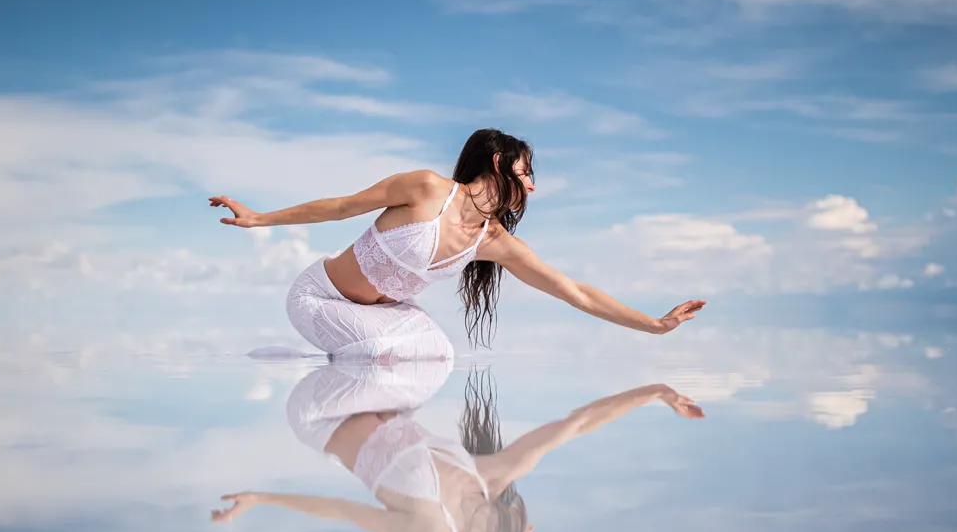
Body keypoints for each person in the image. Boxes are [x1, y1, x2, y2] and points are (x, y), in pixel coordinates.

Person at [209, 128, 706, 361]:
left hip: (385, 314)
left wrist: (656, 325)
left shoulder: (495, 242)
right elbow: (342, 206)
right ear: (497, 163)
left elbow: (573, 291)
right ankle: (289, 368)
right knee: (383, 351)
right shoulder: (426, 188)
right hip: (320, 298)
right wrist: (260, 219)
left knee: (438, 358)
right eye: (526, 172)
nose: (532, 186)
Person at [212, 364, 704, 532]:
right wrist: (653, 393)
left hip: (319, 414)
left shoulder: (427, 528)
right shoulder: (490, 474)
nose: (529, 530)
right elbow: (573, 425)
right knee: (432, 359)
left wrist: (261, 497)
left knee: (407, 358)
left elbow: (340, 510)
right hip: (377, 399)